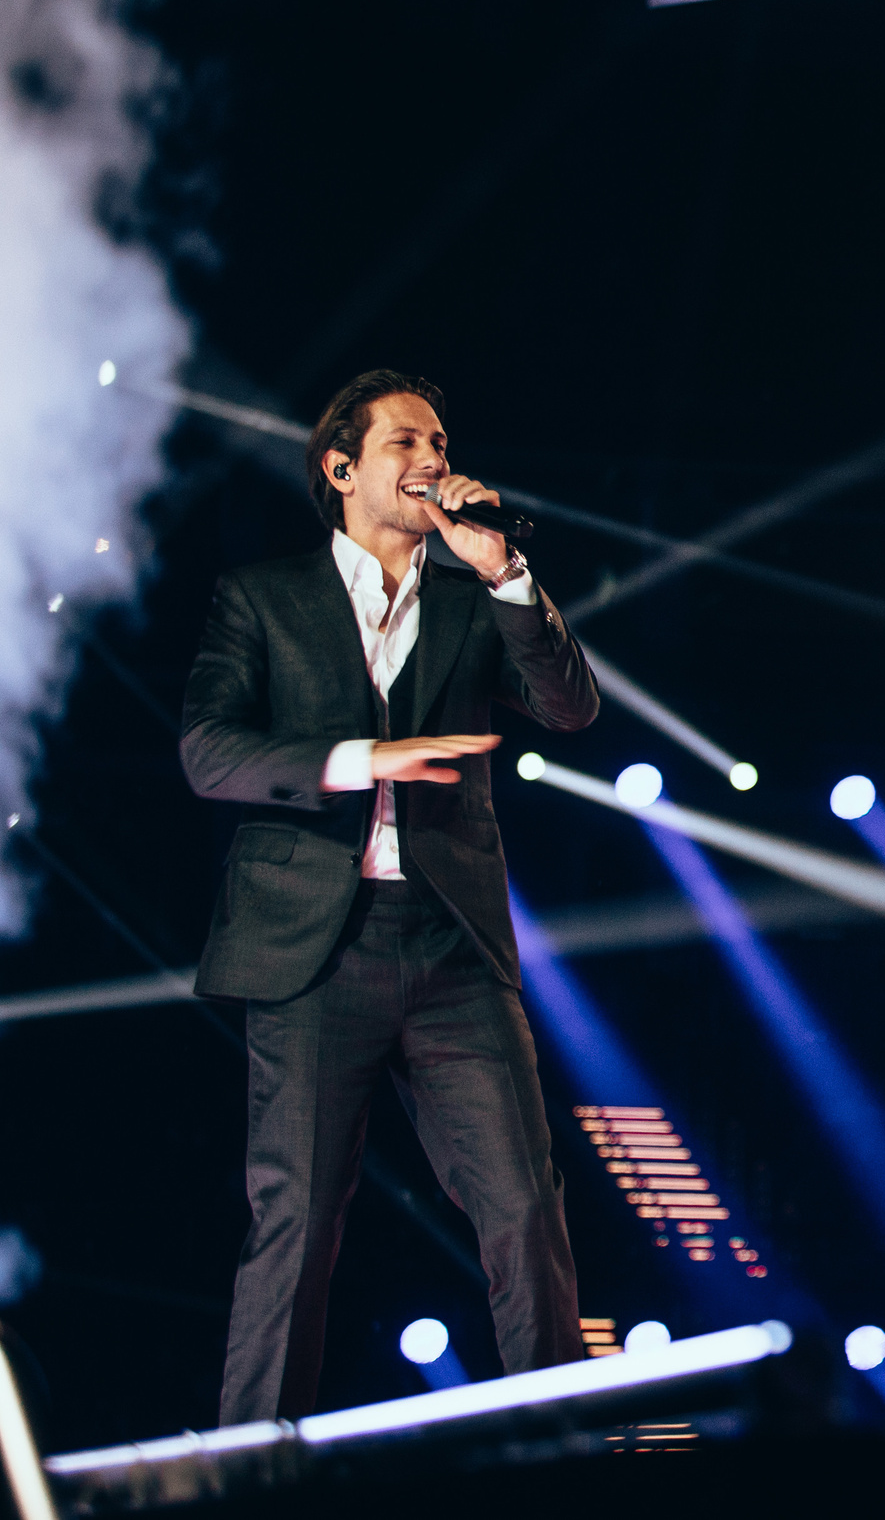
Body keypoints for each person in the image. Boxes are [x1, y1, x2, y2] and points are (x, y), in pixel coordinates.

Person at [181, 370, 598, 1424]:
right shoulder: (264, 597)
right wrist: (366, 757)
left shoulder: (472, 595)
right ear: (341, 468)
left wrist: (505, 571)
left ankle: (555, 1450)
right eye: (406, 441)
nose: (434, 459)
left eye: (442, 441)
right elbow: (208, 750)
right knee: (300, 1218)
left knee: (523, 1209)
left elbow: (569, 705)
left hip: (452, 945)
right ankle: (247, 1471)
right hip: (315, 950)